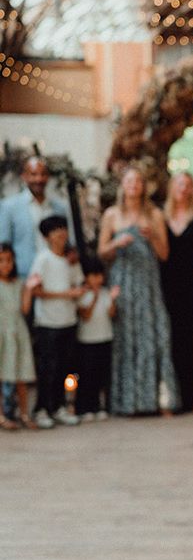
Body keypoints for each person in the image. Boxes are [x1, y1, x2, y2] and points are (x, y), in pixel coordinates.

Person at [98, 164, 176, 416]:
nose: (134, 186)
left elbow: (164, 254)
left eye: (138, 181)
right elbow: (101, 252)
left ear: (143, 187)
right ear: (123, 185)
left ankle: (153, 400)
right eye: (129, 181)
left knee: (153, 337)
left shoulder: (154, 213)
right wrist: (116, 242)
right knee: (125, 338)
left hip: (147, 283)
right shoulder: (111, 215)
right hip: (123, 281)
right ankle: (126, 402)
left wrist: (152, 236)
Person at [0, 156, 74, 420]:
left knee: (52, 350)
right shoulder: (9, 207)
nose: (38, 179)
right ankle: (13, 409)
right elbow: (4, 245)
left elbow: (70, 244)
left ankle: (52, 405)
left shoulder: (59, 206)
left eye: (42, 174)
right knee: (19, 345)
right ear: (24, 176)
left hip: (55, 288)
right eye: (33, 174)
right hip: (23, 286)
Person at [161, 171, 193, 413]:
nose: (183, 188)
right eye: (180, 184)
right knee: (173, 339)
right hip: (167, 285)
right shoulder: (160, 215)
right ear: (172, 187)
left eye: (188, 184)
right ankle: (177, 393)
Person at [30, 215, 85, 428]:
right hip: (47, 322)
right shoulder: (43, 259)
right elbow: (36, 290)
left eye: (63, 228)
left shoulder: (71, 260)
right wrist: (65, 294)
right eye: (55, 230)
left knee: (65, 366)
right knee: (47, 368)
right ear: (47, 236)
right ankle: (42, 408)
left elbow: (78, 283)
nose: (61, 234)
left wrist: (76, 293)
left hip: (68, 320)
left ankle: (59, 406)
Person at [76, 257, 119, 422]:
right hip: (87, 341)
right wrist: (93, 298)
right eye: (93, 275)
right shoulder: (83, 295)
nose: (97, 279)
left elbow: (112, 314)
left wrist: (113, 300)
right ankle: (85, 407)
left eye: (99, 275)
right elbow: (85, 315)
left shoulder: (106, 293)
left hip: (105, 338)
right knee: (87, 376)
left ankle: (101, 406)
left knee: (102, 375)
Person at [0, 242, 36, 430]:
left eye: (9, 261)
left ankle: (24, 413)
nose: (6, 265)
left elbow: (24, 309)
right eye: (1, 261)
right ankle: (2, 416)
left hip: (18, 330)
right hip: (2, 331)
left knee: (21, 374)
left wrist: (29, 290)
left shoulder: (18, 284)